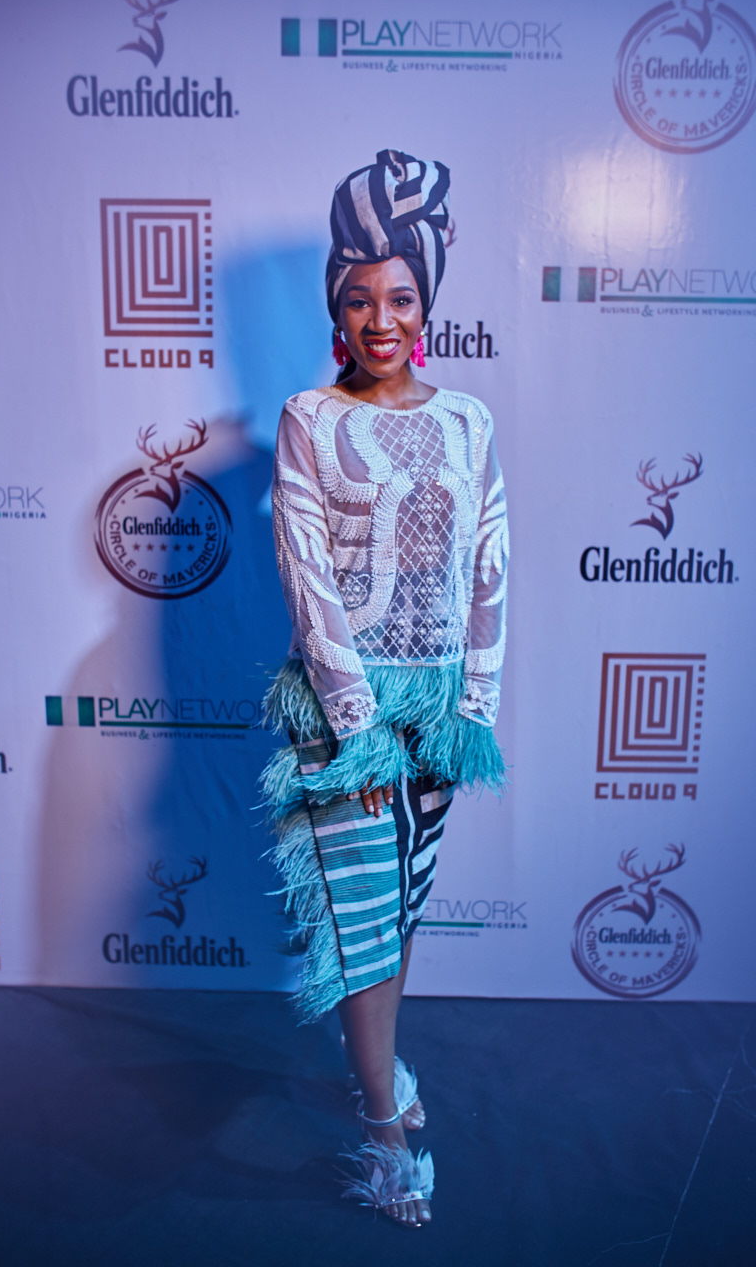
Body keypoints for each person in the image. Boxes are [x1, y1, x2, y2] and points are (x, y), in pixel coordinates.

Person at [262, 149, 508, 1228]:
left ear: (426, 305)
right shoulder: (308, 419)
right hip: (343, 711)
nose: (379, 318)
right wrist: (357, 728)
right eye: (358, 298)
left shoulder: (469, 422)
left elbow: (490, 567)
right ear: (336, 306)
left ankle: (383, 1065)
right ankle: (381, 1131)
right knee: (361, 925)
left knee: (401, 909)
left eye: (399, 297)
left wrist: (471, 712)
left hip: (435, 713)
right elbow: (306, 575)